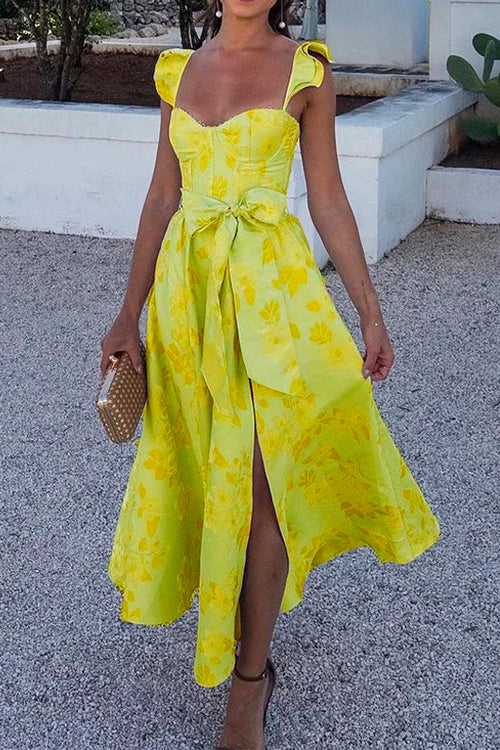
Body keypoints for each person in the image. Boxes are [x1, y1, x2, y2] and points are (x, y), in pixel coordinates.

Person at [100, 1, 441, 749]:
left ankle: (249, 683)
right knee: (207, 469)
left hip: (274, 303)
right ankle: (229, 627)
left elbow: (327, 196)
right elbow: (162, 196)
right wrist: (128, 312)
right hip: (190, 306)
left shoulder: (305, 72)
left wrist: (370, 312)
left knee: (263, 479)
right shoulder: (177, 72)